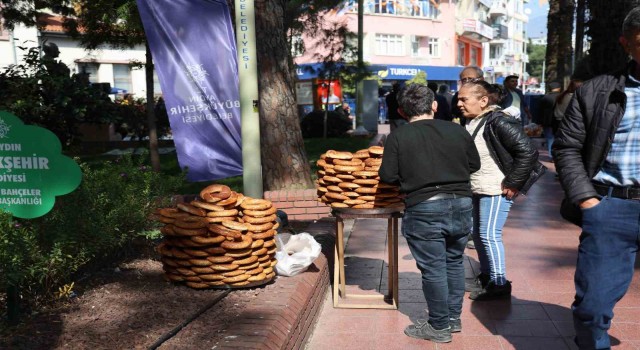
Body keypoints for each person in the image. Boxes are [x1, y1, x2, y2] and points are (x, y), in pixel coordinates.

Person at [552, 7, 640, 349]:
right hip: (611, 208)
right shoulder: (595, 92)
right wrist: (588, 200)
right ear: (626, 43)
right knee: (592, 307)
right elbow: (567, 147)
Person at [379, 83, 480, 343]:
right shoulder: (457, 130)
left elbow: (388, 175)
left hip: (424, 206)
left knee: (434, 269)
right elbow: (474, 164)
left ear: (401, 111)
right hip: (460, 203)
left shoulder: (399, 136)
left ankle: (439, 325)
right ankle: (453, 319)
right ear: (434, 106)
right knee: (454, 262)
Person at [457, 80, 539, 300]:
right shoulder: (473, 121)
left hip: (495, 187)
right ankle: (487, 276)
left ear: (483, 101)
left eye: (464, 99)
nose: (459, 103)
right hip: (478, 186)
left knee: (489, 235)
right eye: (459, 98)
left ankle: (500, 284)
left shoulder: (499, 121)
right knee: (478, 234)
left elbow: (528, 152)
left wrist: (514, 182)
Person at [537, 82, 562, 156]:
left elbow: (539, 110)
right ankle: (558, 155)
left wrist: (539, 121)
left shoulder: (545, 97)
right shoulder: (562, 96)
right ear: (559, 88)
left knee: (550, 138)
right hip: (559, 120)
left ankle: (551, 156)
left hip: (547, 121)